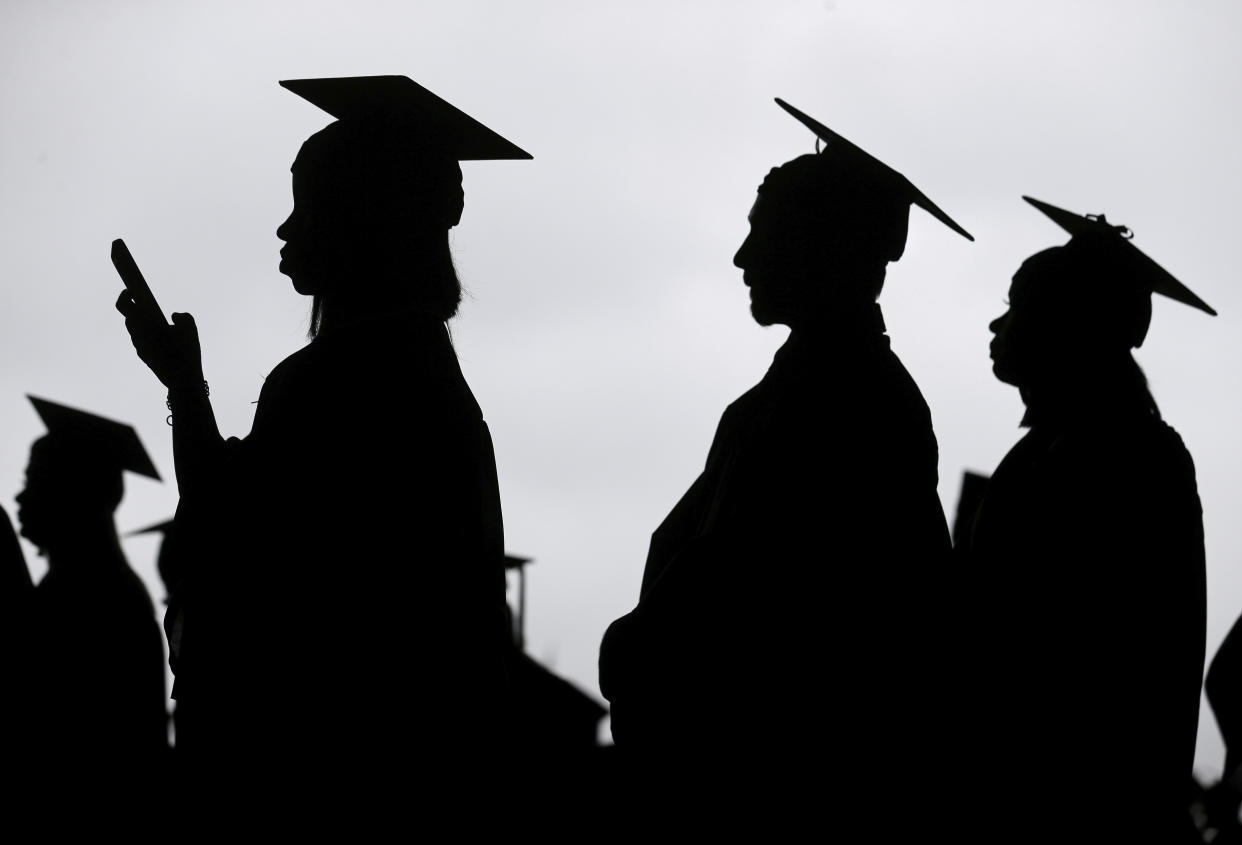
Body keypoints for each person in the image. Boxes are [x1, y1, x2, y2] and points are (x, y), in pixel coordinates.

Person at [115, 76, 527, 796]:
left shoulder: (340, 381)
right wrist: (183, 384)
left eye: (307, 204)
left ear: (364, 219)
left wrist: (186, 389)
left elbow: (232, 541)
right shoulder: (418, 372)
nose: (286, 228)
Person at [599, 99, 971, 814]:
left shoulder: (853, 401)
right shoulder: (800, 393)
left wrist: (641, 645)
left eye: (763, 232)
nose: (743, 257)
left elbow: (757, 597)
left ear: (824, 246)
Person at [967, 197, 1211, 839]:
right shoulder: (1054, 450)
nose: (998, 325)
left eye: (1019, 306)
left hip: (1072, 820)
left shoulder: (1129, 458)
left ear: (1070, 325)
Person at [11, 397, 168, 779]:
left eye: (34, 480)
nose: (20, 497)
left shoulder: (94, 599)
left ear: (78, 494)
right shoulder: (103, 587)